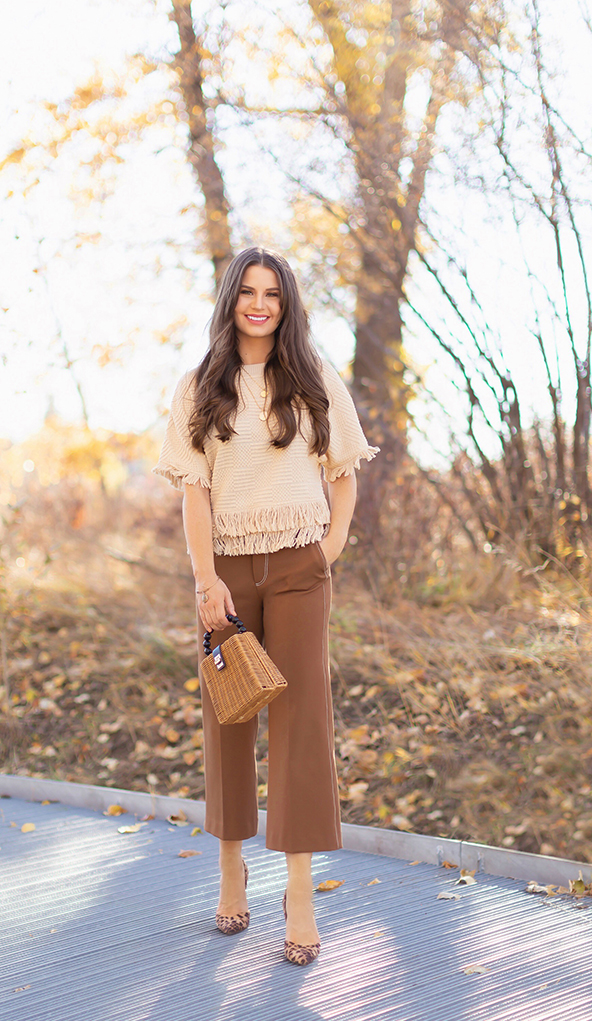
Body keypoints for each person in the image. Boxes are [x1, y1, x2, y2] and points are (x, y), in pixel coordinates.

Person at [154, 247, 378, 965]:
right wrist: (204, 578)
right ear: (231, 300)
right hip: (226, 578)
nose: (258, 304)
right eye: (247, 292)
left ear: (286, 304)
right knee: (229, 718)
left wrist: (327, 549)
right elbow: (195, 491)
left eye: (272, 294)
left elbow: (343, 476)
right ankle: (230, 870)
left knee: (302, 724)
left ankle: (301, 892)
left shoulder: (313, 380)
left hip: (298, 567)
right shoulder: (199, 387)